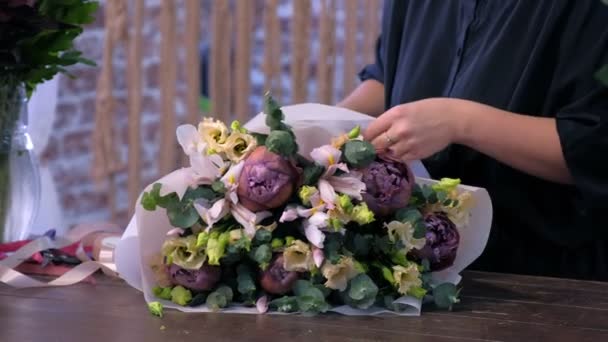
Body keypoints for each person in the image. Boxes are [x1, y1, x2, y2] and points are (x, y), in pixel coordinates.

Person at [337, 0, 608, 281]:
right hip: (417, 260)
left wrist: (460, 121)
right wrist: (324, 121)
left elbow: (595, 146)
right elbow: (389, 75)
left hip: (547, 276)